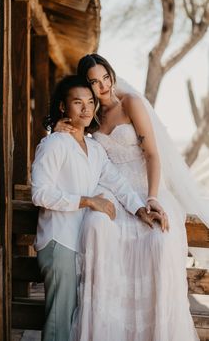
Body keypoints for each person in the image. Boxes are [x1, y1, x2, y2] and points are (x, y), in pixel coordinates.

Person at [54, 54, 209, 341]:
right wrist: (57, 129)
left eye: (106, 78)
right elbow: (73, 140)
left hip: (145, 187)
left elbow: (152, 154)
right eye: (94, 83)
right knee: (98, 229)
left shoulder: (131, 104)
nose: (103, 87)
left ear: (112, 75)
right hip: (113, 192)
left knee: (158, 240)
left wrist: (152, 197)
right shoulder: (92, 115)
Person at [31, 75, 163, 341]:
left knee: (74, 321)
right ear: (62, 108)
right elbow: (40, 193)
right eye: (77, 103)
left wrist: (141, 210)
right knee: (60, 322)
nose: (86, 109)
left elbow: (119, 183)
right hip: (59, 242)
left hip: (79, 242)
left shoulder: (94, 149)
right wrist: (89, 201)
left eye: (90, 102)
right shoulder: (54, 144)